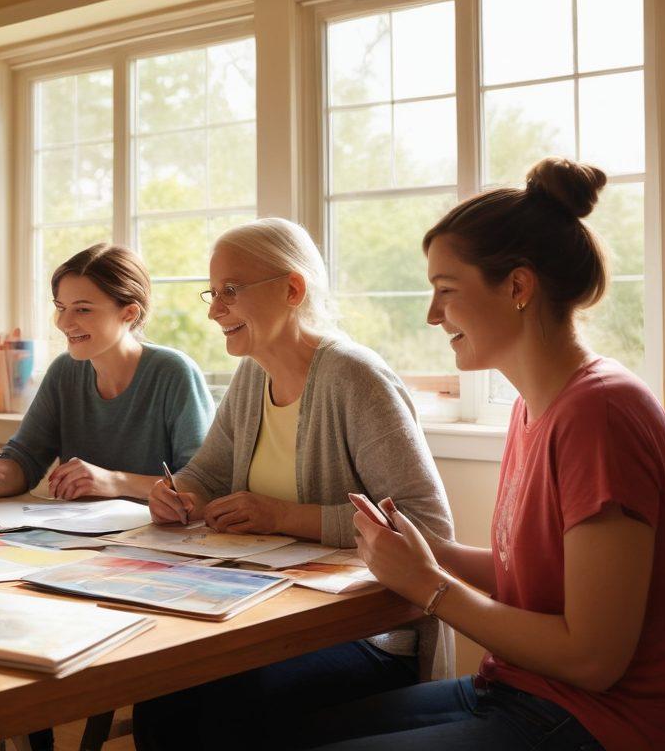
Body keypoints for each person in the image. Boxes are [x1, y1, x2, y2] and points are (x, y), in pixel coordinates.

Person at [295, 158, 665, 750]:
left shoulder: (599, 414)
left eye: (446, 290)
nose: (431, 314)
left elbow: (594, 658)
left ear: (518, 287)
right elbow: (538, 579)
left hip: (598, 721)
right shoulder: (534, 405)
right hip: (519, 691)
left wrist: (429, 584)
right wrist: (429, 553)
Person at [133, 218, 454, 750]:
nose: (214, 311)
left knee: (224, 703)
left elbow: (425, 525)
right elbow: (206, 474)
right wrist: (178, 494)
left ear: (292, 289)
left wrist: (281, 516)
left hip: (366, 635)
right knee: (163, 696)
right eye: (212, 294)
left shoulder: (356, 377)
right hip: (266, 616)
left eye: (230, 291)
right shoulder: (252, 376)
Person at [0, 243, 213, 503]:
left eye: (83, 309)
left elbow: (201, 483)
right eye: (61, 308)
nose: (64, 322)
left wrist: (114, 482)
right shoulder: (64, 372)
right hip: (73, 531)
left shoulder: (174, 373)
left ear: (129, 313)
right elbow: (24, 459)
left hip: (155, 531)